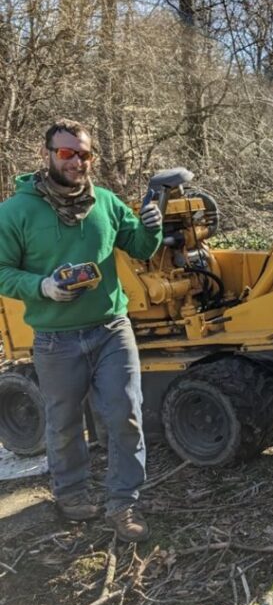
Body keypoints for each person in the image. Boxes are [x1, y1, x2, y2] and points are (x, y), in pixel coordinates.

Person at [0, 121, 163, 541]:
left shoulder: (105, 203)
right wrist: (42, 287)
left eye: (84, 154)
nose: (76, 162)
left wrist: (152, 224)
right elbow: (2, 271)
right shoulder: (15, 212)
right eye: (67, 153)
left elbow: (141, 248)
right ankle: (71, 497)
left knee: (126, 414)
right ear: (48, 154)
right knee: (64, 423)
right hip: (55, 340)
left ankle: (123, 504)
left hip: (111, 328)